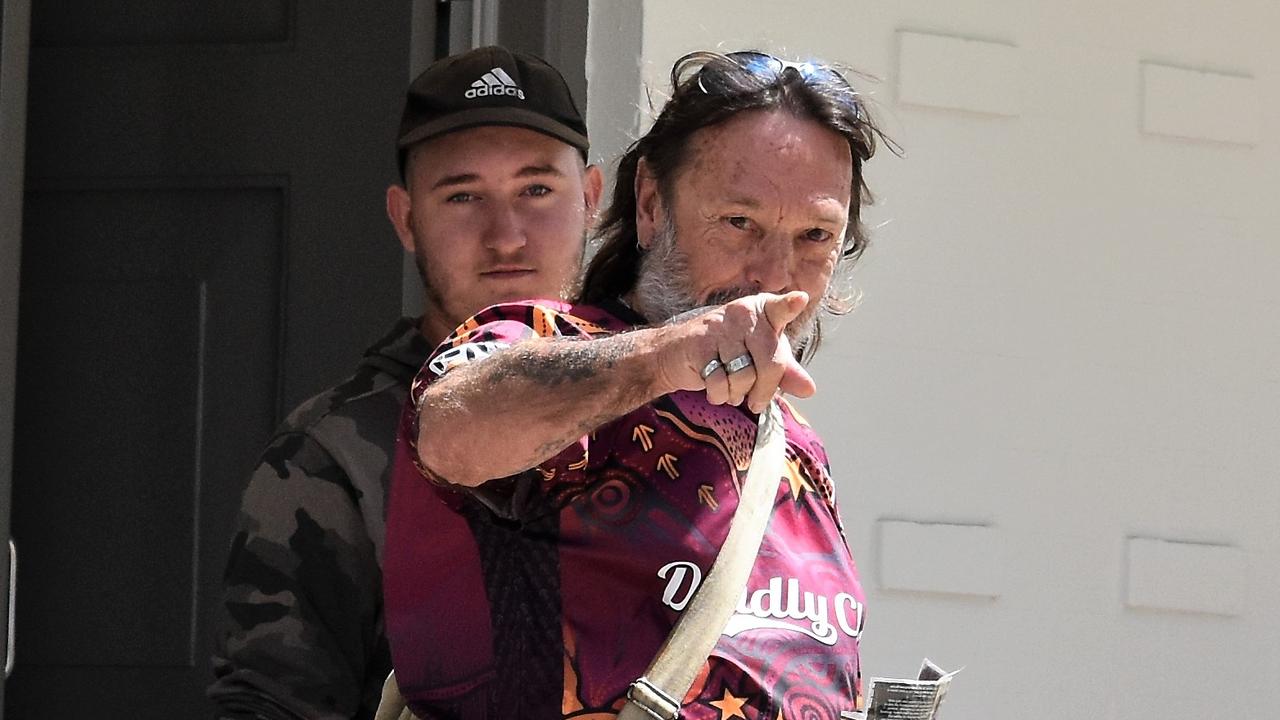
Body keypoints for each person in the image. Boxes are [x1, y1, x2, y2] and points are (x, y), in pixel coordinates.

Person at [383, 50, 890, 719]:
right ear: (651, 204)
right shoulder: (541, 338)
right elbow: (451, 426)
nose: (774, 272)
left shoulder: (795, 445)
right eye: (740, 222)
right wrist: (667, 356)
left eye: (815, 235)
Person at [208, 45, 603, 720]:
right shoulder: (335, 455)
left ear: (592, 197)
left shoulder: (670, 412)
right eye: (463, 196)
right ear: (406, 219)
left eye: (537, 190)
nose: (506, 236)